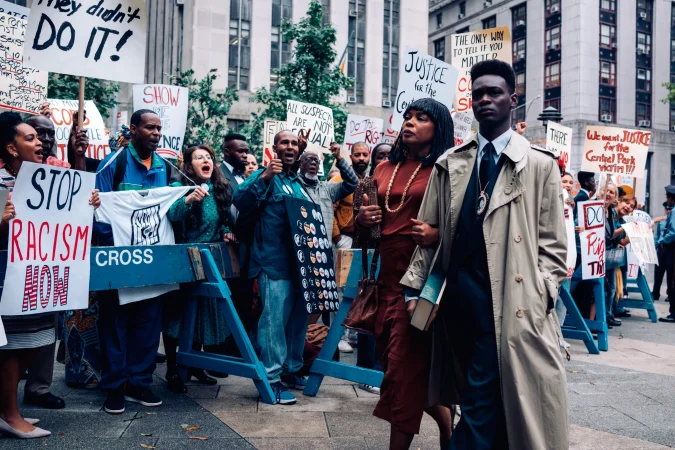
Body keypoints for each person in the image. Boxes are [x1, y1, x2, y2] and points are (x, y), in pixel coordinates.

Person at [401, 60, 569, 449]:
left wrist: (541, 293)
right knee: (482, 397)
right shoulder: (450, 163)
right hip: (456, 304)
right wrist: (414, 292)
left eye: (494, 92)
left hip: (512, 304)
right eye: (478, 94)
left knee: (480, 401)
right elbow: (427, 236)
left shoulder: (540, 165)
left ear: (513, 99)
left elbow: (554, 246)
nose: (485, 100)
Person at [355, 98, 455, 450]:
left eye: (421, 118)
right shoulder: (384, 167)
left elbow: (468, 225)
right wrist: (363, 220)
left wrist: (437, 234)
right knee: (398, 370)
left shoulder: (448, 169)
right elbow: (363, 232)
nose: (409, 122)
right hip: (385, 283)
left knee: (400, 374)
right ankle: (448, 429)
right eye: (407, 116)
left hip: (420, 287)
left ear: (438, 127)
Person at [0, 112, 99, 439]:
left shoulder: (53, 178)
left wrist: (87, 202)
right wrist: (2, 222)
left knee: (37, 341)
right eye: (30, 138)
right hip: (9, 282)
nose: (40, 143)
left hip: (42, 282)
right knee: (13, 348)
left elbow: (71, 217)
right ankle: (10, 415)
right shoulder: (0, 184)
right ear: (12, 148)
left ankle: (5, 410)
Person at [94, 109, 178, 414]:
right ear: (133, 129)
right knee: (115, 325)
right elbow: (97, 211)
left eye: (159, 128)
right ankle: (115, 386)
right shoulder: (113, 163)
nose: (156, 133)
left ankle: (140, 382)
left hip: (152, 260)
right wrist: (117, 242)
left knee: (148, 324)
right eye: (150, 128)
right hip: (118, 260)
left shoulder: (164, 166)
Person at [232, 130, 312, 405]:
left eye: (294, 143)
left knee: (297, 322)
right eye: (284, 142)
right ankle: (271, 379)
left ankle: (291, 370)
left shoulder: (297, 182)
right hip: (272, 263)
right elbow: (240, 199)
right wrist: (265, 176)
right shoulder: (264, 175)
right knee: (273, 324)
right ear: (274, 148)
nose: (290, 146)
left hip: (299, 267)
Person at [164, 145, 236, 393]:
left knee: (201, 314)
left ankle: (194, 365)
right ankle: (172, 369)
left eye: (209, 157)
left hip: (208, 261)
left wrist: (226, 232)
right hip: (183, 260)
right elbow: (172, 215)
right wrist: (188, 200)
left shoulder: (218, 190)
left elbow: (223, 221)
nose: (206, 160)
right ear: (189, 165)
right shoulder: (178, 187)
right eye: (199, 157)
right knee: (178, 316)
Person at [330, 141, 370, 353]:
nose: (361, 158)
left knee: (360, 289)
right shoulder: (339, 179)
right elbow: (329, 208)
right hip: (344, 239)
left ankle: (353, 334)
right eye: (357, 154)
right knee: (341, 289)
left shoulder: (372, 180)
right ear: (351, 156)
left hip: (364, 241)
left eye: (365, 154)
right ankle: (338, 337)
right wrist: (337, 238)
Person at [657, 185, 675, 323]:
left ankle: (673, 313)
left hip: (672, 250)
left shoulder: (674, 211)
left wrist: (662, 240)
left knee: (672, 281)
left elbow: (673, 232)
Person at [652, 201, 672, 301]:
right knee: (658, 272)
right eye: (667, 209)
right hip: (661, 250)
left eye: (670, 209)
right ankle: (655, 292)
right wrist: (653, 248)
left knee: (670, 274)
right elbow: (657, 236)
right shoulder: (662, 222)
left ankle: (670, 294)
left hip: (670, 249)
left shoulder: (672, 222)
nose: (668, 211)